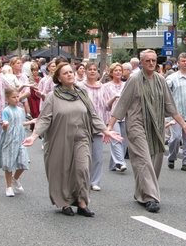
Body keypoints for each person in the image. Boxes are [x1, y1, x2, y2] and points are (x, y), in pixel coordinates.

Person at [22, 63, 122, 216]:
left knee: (82, 168)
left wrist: (106, 130)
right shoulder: (53, 96)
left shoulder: (81, 93)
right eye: (65, 73)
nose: (69, 75)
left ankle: (82, 203)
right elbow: (44, 119)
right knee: (63, 170)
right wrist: (34, 136)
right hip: (60, 138)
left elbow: (93, 114)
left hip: (81, 136)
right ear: (59, 78)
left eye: (71, 72)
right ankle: (65, 203)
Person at [107, 49, 186, 213]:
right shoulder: (134, 79)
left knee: (155, 159)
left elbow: (170, 105)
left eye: (154, 60)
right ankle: (151, 197)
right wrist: (110, 127)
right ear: (141, 63)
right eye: (147, 60)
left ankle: (141, 191)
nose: (151, 63)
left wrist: (183, 125)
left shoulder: (161, 80)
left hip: (156, 124)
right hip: (136, 124)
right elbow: (123, 103)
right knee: (143, 159)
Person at [0, 87, 35, 197]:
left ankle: (16, 178)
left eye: (17, 96)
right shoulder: (6, 110)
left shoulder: (21, 110)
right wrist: (5, 126)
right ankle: (9, 186)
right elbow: (5, 125)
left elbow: (21, 123)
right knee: (9, 163)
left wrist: (31, 122)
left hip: (20, 137)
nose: (16, 99)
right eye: (13, 97)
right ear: (7, 99)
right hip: (10, 138)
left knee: (23, 162)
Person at [78, 62, 108, 191]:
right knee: (83, 155)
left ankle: (95, 181)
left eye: (94, 69)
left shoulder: (102, 87)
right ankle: (83, 180)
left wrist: (107, 127)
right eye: (89, 69)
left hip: (98, 124)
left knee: (97, 155)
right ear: (85, 71)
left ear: (98, 72)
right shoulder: (79, 87)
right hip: (83, 125)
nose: (92, 71)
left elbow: (106, 106)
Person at [102, 62, 128, 172]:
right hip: (112, 117)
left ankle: (114, 164)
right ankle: (121, 162)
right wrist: (114, 97)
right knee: (116, 139)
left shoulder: (126, 85)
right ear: (111, 73)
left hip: (125, 116)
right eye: (116, 70)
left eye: (120, 70)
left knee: (124, 141)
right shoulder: (106, 86)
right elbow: (106, 105)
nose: (118, 72)